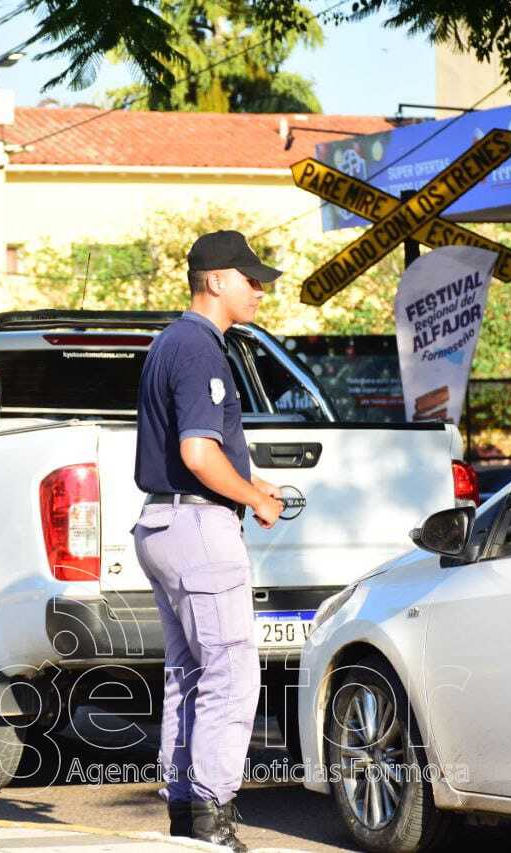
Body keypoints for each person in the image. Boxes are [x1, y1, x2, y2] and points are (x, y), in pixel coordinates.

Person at [132, 230, 285, 851]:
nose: (259, 290)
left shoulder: (170, 341)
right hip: (197, 528)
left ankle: (185, 812)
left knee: (190, 675)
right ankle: (213, 817)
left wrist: (252, 481)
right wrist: (255, 500)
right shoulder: (200, 348)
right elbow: (198, 453)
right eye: (251, 279)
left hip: (162, 523)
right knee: (231, 673)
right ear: (215, 280)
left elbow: (193, 453)